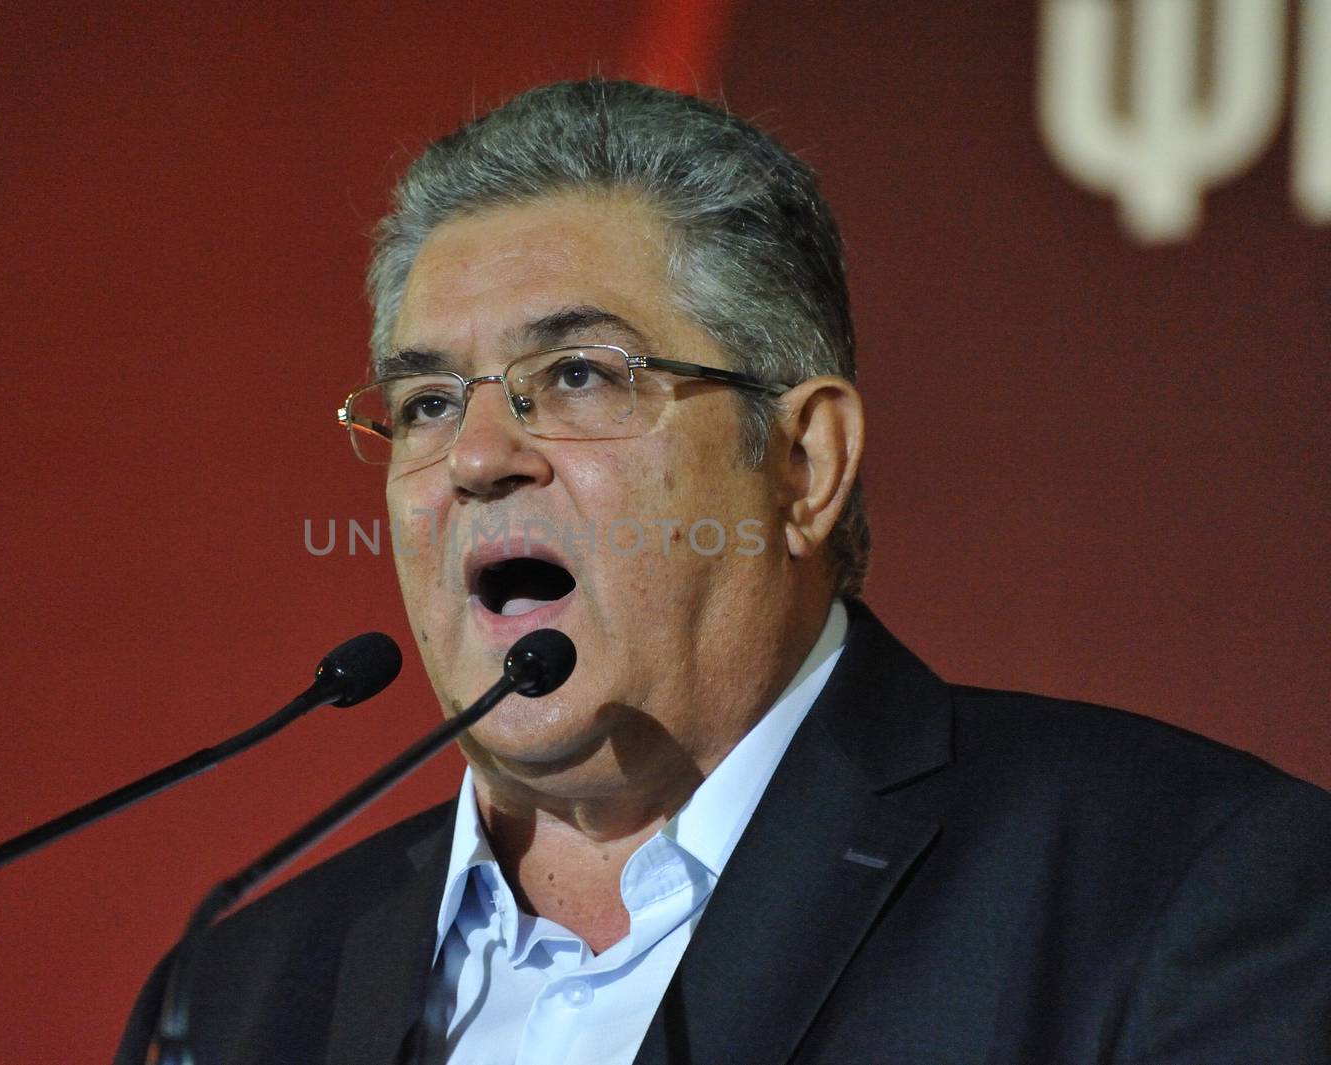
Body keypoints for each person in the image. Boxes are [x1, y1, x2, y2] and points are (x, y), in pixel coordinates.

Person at [117, 80, 1331, 1064]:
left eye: (581, 376)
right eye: (428, 400)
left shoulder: (1169, 888)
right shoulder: (236, 995)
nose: (477, 457)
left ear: (804, 464)